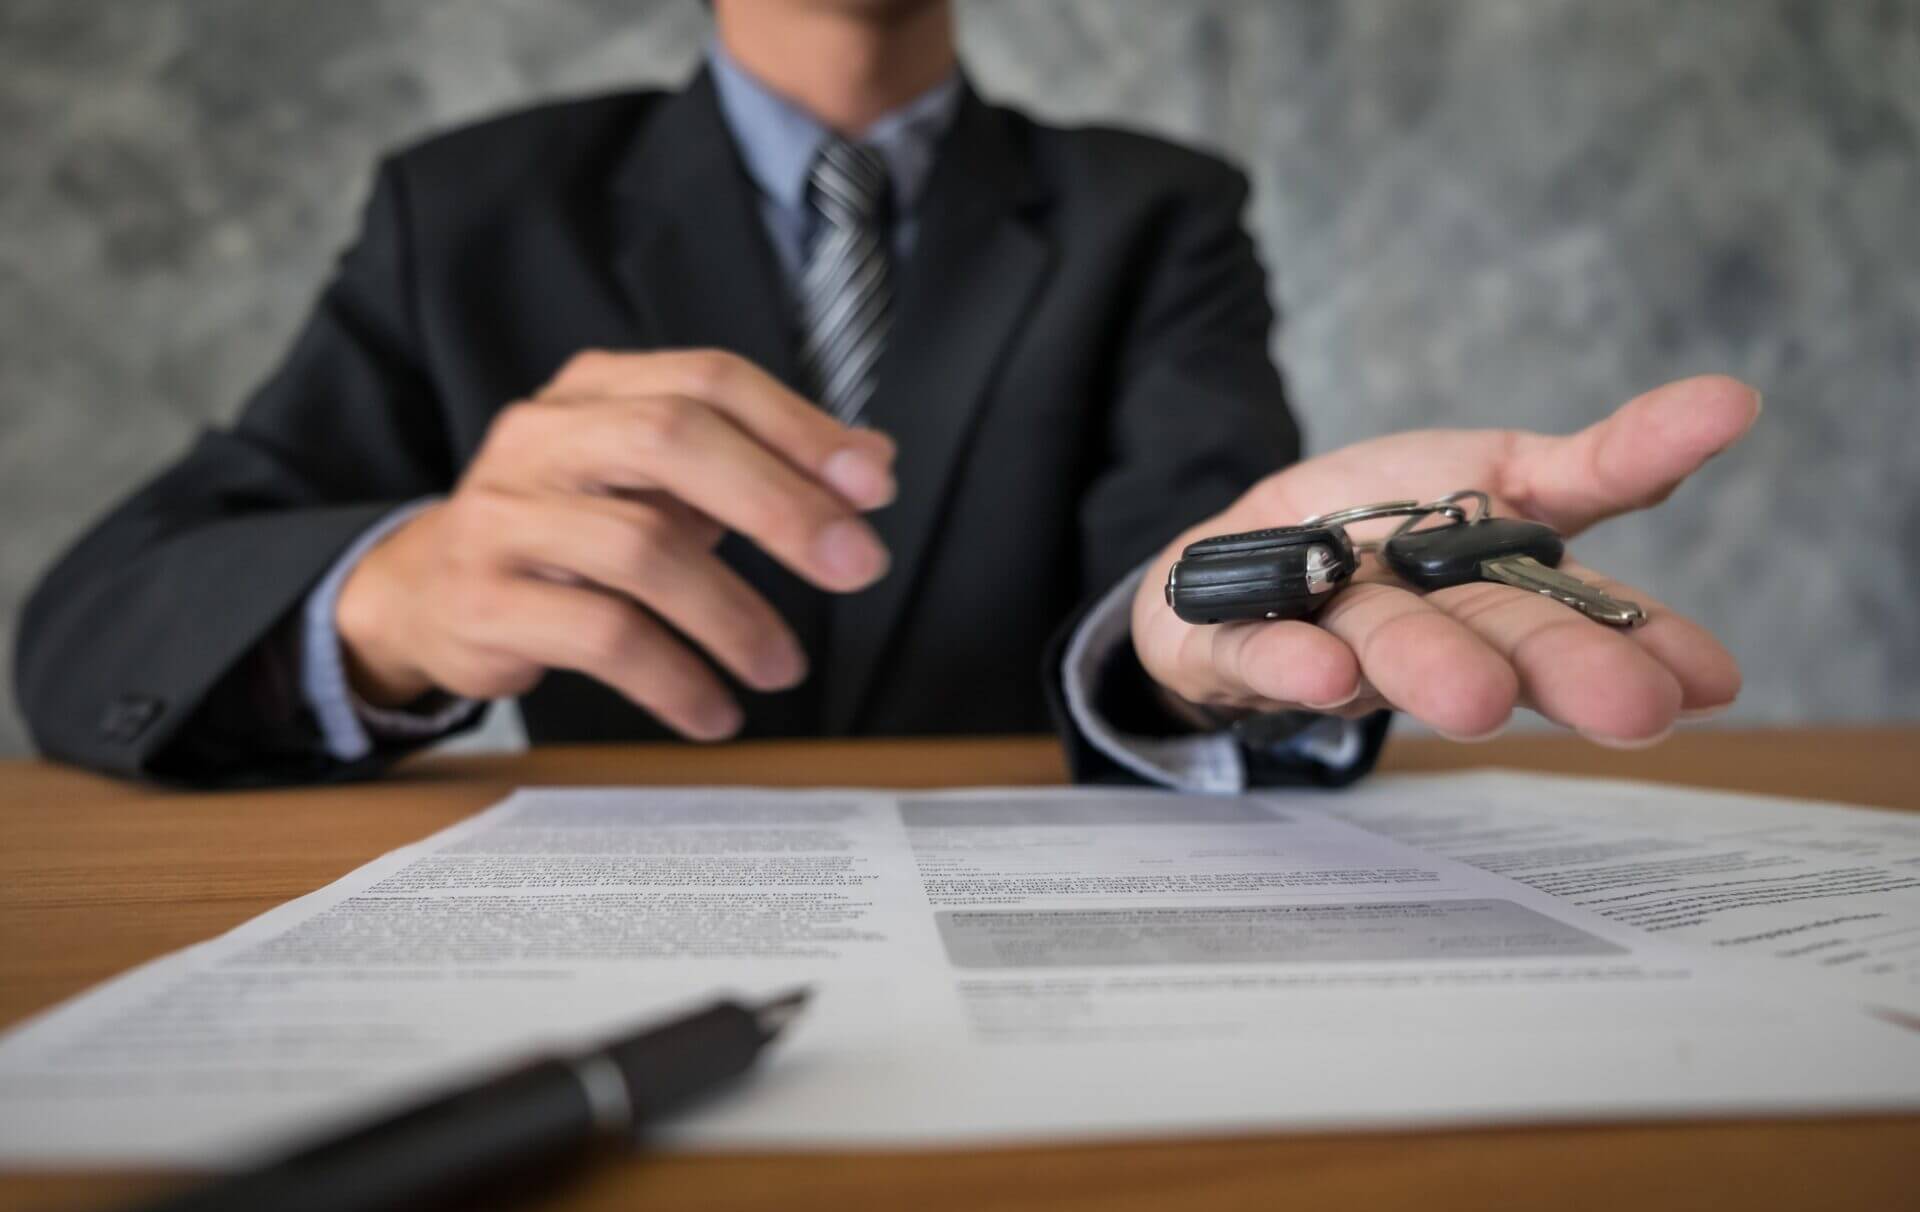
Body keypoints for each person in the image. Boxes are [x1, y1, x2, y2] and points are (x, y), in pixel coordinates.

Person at [13, 0, 1746, 790]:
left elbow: (1191, 551)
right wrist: (383, 599)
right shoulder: (465, 210)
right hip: (591, 953)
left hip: (1053, 964)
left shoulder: (1155, 208)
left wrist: (1193, 641)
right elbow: (99, 627)